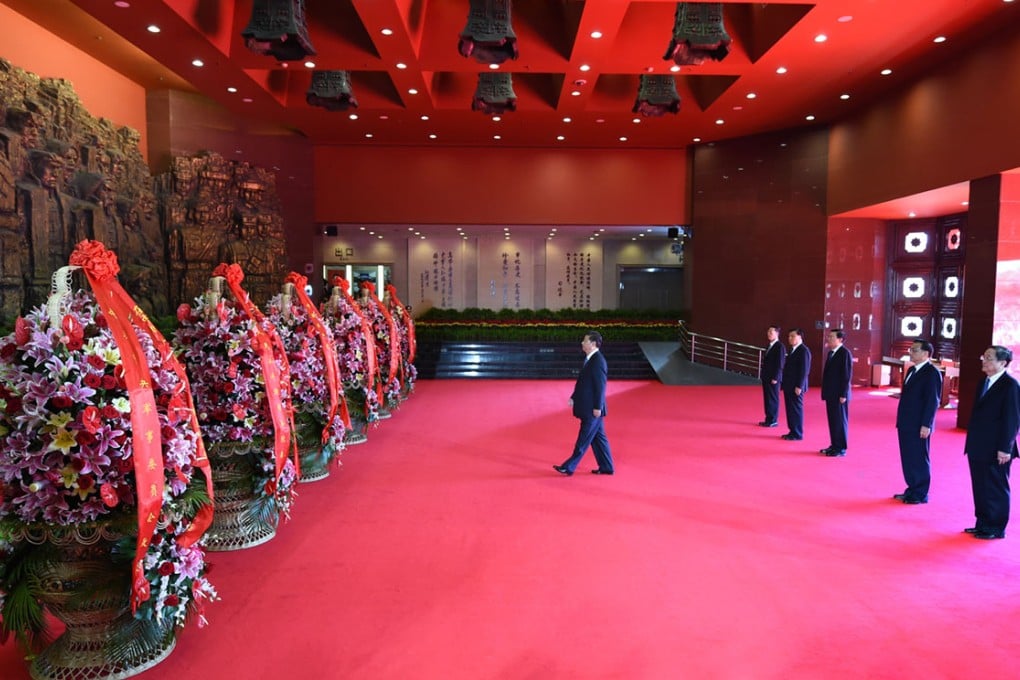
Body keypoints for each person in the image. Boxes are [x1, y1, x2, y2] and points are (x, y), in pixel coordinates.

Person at [963, 346, 1020, 539]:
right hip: (978, 444)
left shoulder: (1010, 386)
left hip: (998, 447)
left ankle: (996, 527)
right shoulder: (984, 382)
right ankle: (983, 523)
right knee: (980, 485)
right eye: (983, 356)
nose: (984, 361)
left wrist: (1006, 448)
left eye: (988, 358)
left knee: (995, 487)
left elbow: (1012, 420)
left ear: (1003, 363)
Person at [554, 330, 614, 476]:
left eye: (585, 340)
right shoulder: (590, 359)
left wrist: (597, 407)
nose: (582, 343)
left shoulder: (598, 361)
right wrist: (574, 396)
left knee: (584, 438)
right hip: (590, 406)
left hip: (593, 408)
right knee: (598, 439)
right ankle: (607, 466)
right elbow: (584, 382)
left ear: (593, 344)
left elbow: (600, 386)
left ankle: (569, 467)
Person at [893, 340, 942, 504]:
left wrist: (926, 424)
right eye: (911, 349)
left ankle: (920, 492)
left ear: (926, 354)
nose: (910, 352)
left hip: (919, 423)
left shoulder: (931, 373)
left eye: (914, 350)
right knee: (908, 457)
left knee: (919, 457)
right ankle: (912, 488)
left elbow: (932, 401)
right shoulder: (912, 370)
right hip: (906, 421)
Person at [820, 329, 853, 457]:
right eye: (829, 336)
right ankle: (834, 445)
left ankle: (840, 448)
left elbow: (846, 376)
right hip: (831, 393)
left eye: (832, 337)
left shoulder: (844, 353)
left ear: (840, 339)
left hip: (840, 394)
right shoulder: (831, 353)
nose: (829, 338)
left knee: (839, 421)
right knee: (833, 420)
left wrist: (843, 394)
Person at [781, 328, 811, 441]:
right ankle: (792, 430)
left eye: (792, 336)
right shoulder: (792, 349)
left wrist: (800, 385)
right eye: (789, 336)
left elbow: (804, 370)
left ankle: (797, 432)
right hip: (789, 384)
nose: (790, 338)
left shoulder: (804, 350)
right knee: (790, 409)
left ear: (800, 337)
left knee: (796, 409)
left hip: (796, 386)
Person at [759, 325, 786, 427]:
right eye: (768, 332)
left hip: (773, 378)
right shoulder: (769, 345)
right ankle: (768, 418)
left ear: (777, 334)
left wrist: (776, 377)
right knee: (767, 398)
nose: (769, 334)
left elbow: (780, 364)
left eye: (771, 332)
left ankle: (773, 420)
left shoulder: (780, 346)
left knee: (773, 398)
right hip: (766, 376)